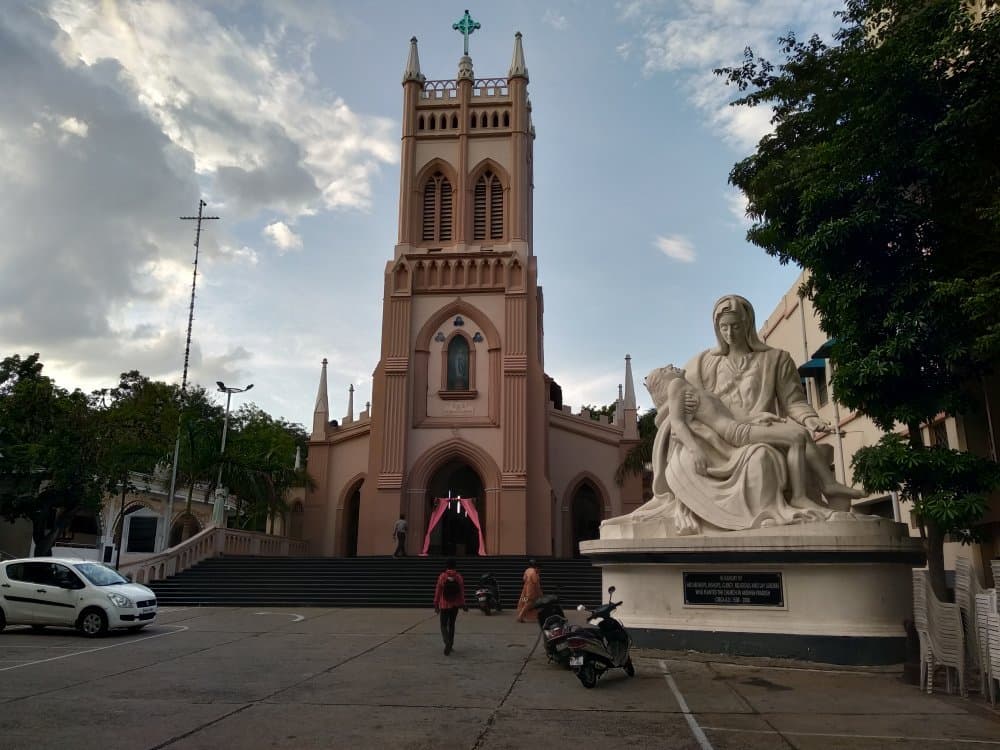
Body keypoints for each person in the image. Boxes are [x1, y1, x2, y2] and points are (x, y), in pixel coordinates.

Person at [633, 294, 859, 534]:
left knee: (796, 434)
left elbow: (794, 401)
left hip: (750, 427)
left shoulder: (776, 359)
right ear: (716, 328)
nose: (729, 333)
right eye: (724, 327)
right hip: (720, 440)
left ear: (748, 323)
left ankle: (825, 487)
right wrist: (689, 437)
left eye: (736, 326)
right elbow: (668, 408)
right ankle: (810, 493)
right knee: (768, 451)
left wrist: (810, 418)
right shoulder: (699, 364)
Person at [647, 365, 864, 513]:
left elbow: (722, 414)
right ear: (664, 382)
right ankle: (801, 496)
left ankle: (829, 484)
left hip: (739, 424)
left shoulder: (691, 390)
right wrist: (695, 450)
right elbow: (677, 422)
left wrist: (757, 416)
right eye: (665, 369)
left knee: (802, 434)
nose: (670, 365)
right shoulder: (677, 385)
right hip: (735, 433)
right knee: (797, 436)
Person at [433, 557, 467, 655]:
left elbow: (438, 591)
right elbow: (461, 592)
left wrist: (436, 604)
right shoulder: (458, 577)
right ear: (455, 566)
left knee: (443, 625)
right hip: (455, 605)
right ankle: (450, 644)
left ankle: (446, 642)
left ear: (446, 566)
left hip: (444, 605)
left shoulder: (442, 576)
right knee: (451, 625)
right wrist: (463, 604)